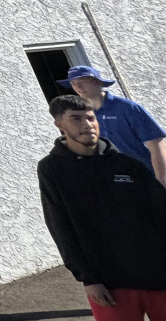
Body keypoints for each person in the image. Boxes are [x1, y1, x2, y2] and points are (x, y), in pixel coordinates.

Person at [39, 94, 166, 320]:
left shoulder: (127, 164)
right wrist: (88, 278)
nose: (87, 125)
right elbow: (60, 227)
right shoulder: (53, 169)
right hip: (109, 283)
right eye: (76, 119)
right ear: (59, 125)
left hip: (159, 272)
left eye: (90, 118)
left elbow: (160, 211)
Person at [59, 65, 166, 186]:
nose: (78, 87)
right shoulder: (80, 116)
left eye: (82, 81)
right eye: (73, 83)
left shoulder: (127, 108)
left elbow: (157, 145)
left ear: (97, 82)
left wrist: (161, 181)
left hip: (147, 177)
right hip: (116, 184)